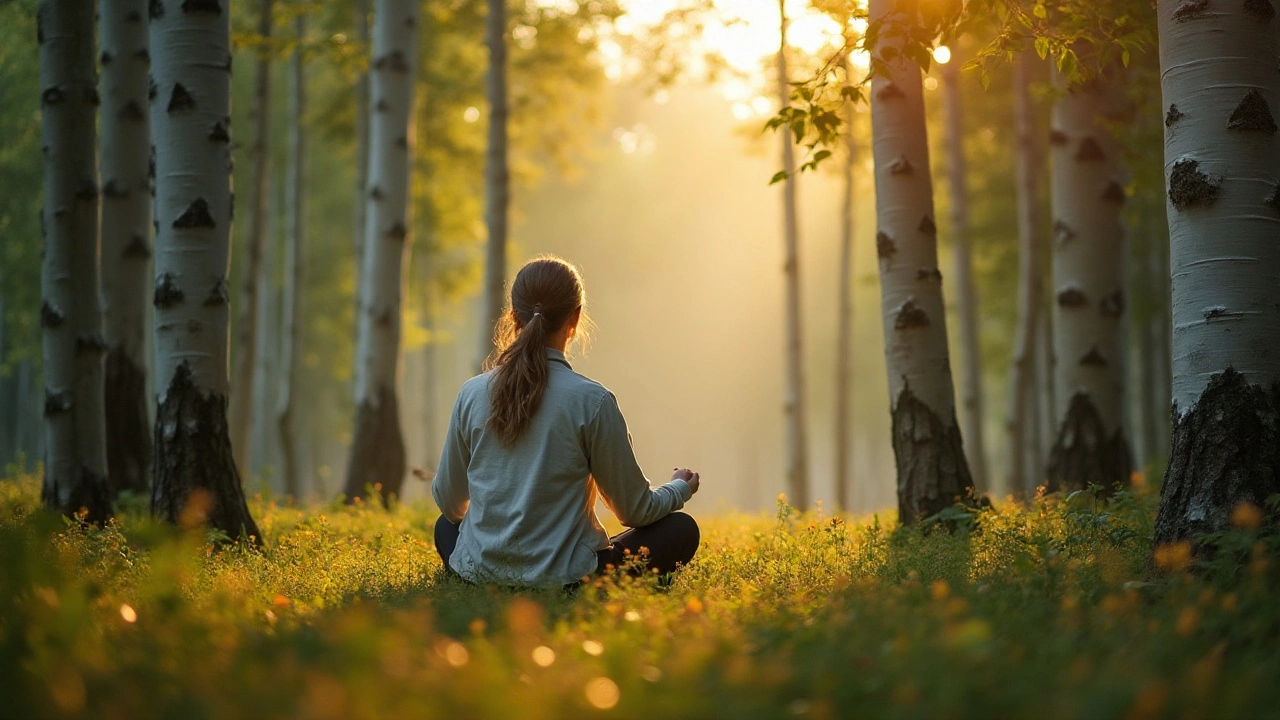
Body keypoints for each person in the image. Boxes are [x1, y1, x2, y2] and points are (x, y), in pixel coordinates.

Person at [431, 256, 701, 587]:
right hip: (566, 578)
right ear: (575, 318)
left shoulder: (472, 393)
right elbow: (634, 511)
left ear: (514, 316)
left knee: (445, 527)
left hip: (480, 574)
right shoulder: (593, 401)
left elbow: (449, 502)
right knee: (680, 530)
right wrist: (679, 488)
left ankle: (486, 574)